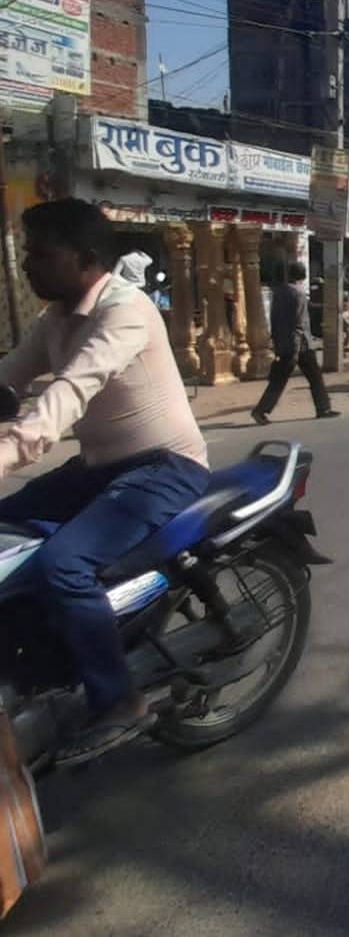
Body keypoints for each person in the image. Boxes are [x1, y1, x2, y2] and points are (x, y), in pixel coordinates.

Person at [0, 199, 211, 761]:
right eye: (27, 253)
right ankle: (42, 665)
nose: (27, 265)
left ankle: (120, 700)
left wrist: (7, 453)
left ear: (86, 258)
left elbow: (69, 392)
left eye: (41, 254)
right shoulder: (55, 319)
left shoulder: (126, 310)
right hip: (99, 468)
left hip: (165, 467)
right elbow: (9, 378)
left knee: (63, 565)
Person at [252, 261, 339, 425]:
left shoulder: (279, 293)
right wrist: (296, 349)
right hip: (301, 345)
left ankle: (261, 410)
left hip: (283, 343)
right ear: (303, 276)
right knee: (314, 377)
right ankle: (323, 408)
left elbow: (274, 320)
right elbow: (299, 323)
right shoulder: (298, 294)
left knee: (279, 380)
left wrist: (277, 342)